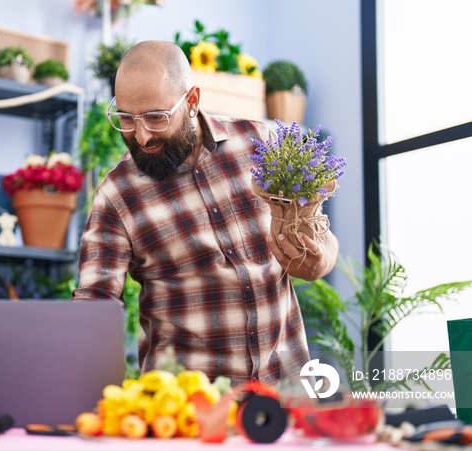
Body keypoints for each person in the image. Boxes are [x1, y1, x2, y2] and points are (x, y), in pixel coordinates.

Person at [72, 40, 338, 385]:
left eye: (156, 117)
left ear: (192, 101)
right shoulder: (116, 194)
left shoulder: (264, 144)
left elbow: (320, 234)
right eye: (126, 118)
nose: (141, 136)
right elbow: (95, 306)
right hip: (187, 409)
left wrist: (322, 259)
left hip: (287, 392)